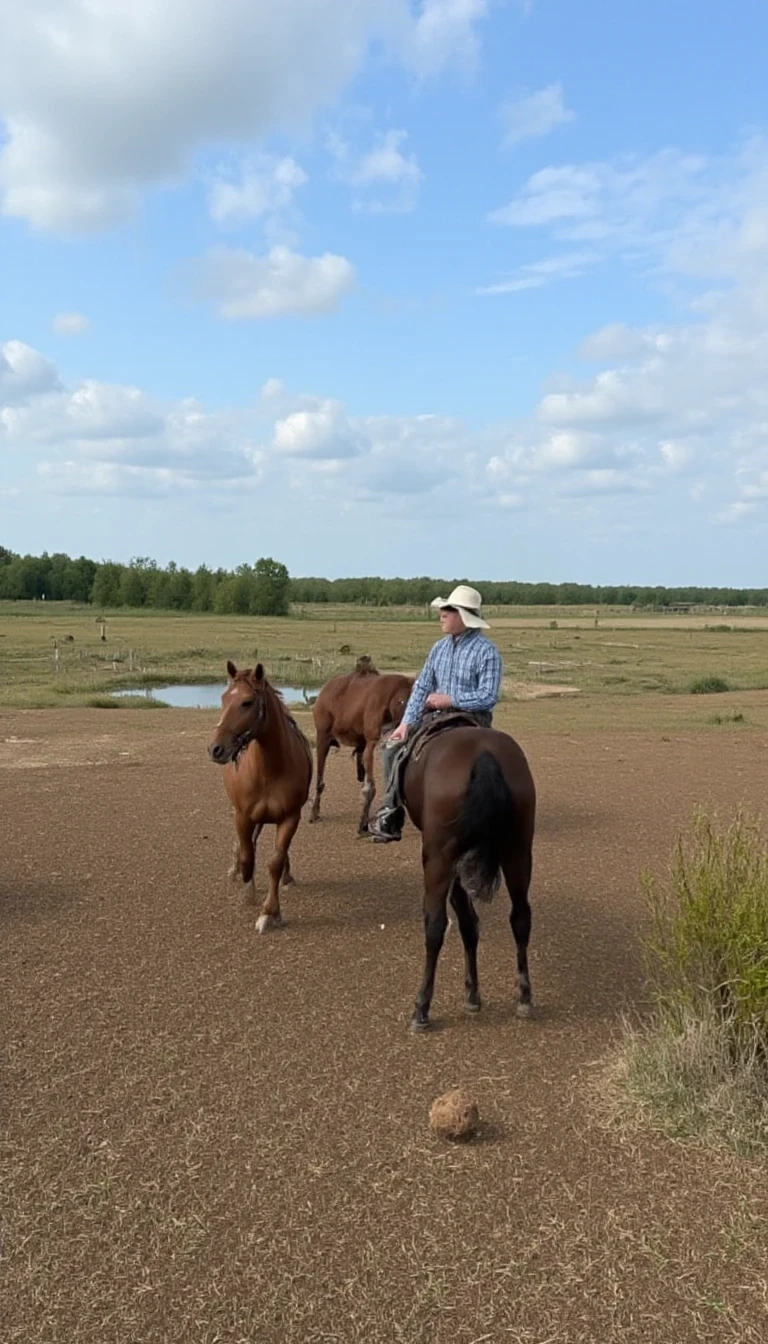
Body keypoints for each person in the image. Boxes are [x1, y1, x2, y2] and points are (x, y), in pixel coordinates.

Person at [368, 584, 502, 842]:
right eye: (443, 609)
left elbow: (488, 696)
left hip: (473, 718)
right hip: (436, 719)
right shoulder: (438, 648)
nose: (442, 613)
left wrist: (449, 699)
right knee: (391, 748)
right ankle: (391, 811)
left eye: (449, 610)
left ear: (464, 616)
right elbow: (421, 688)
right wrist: (406, 723)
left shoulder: (487, 652)